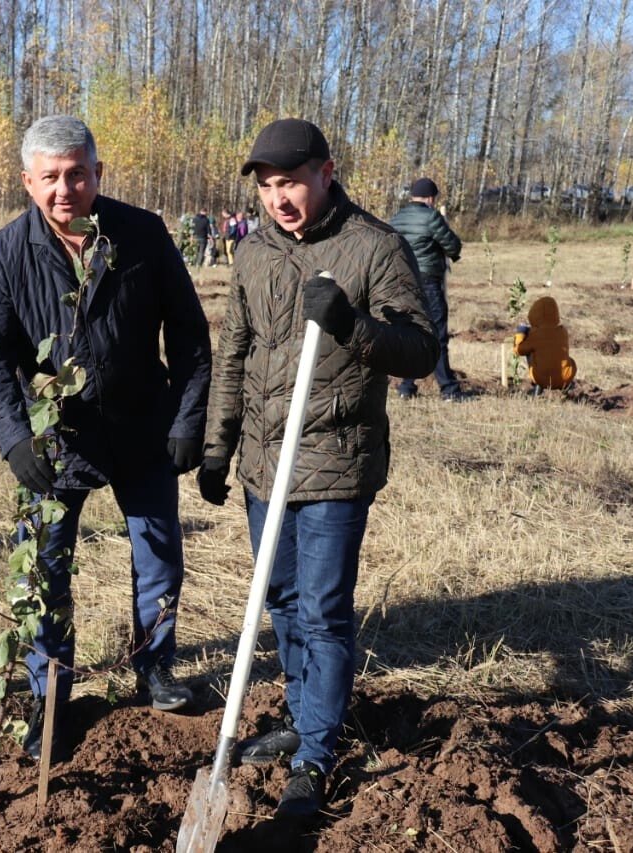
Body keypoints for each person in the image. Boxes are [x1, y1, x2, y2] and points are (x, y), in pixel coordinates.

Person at [197, 118, 438, 819]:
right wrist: (219, 444)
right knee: (280, 601)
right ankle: (305, 719)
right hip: (263, 467)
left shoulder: (373, 247)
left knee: (324, 610)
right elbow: (234, 352)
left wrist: (351, 327)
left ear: (327, 172)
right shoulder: (253, 252)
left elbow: (421, 349)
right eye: (268, 186)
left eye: (292, 182)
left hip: (335, 461)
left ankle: (316, 753)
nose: (280, 198)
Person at [0, 115, 213, 762]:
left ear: (98, 173)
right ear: (27, 181)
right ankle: (52, 689)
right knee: (46, 565)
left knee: (159, 555)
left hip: (142, 427)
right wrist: (13, 437)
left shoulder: (142, 235)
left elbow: (189, 333)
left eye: (77, 173)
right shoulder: (4, 254)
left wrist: (188, 420)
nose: (64, 189)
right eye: (49, 177)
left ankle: (155, 666)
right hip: (54, 442)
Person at [389, 177, 465, 401]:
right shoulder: (432, 217)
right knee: (437, 333)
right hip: (428, 281)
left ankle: (406, 387)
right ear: (431, 198)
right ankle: (448, 389)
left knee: (410, 331)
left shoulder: (397, 218)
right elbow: (452, 245)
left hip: (403, 282)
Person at [514, 296, 576, 391]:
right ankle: (567, 386)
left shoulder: (535, 335)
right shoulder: (563, 331)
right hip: (565, 377)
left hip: (542, 380)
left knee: (530, 352)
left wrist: (520, 333)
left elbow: (519, 351)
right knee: (568, 359)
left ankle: (537, 387)